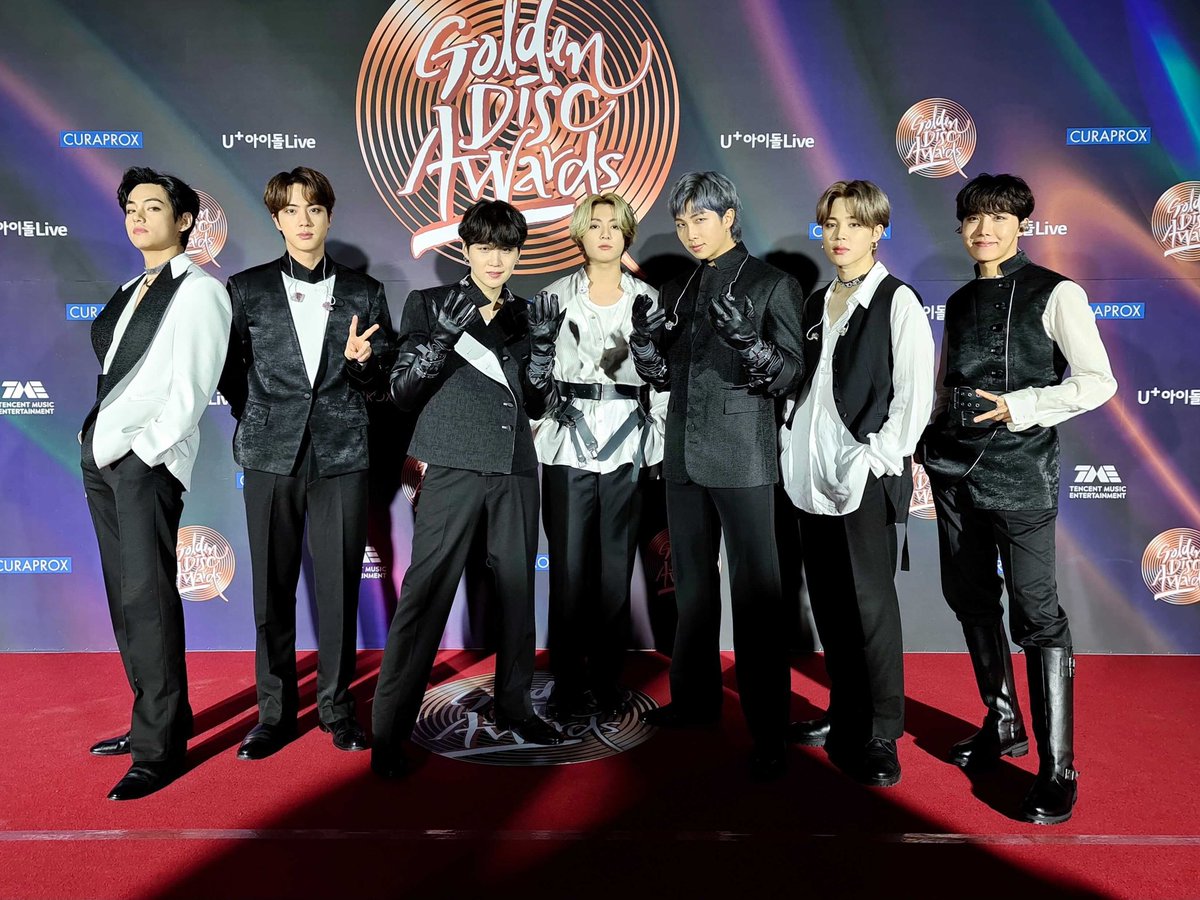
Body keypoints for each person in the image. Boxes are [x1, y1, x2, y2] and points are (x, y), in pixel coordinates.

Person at [921, 173, 1116, 824]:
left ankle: (1059, 769)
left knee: (1036, 613)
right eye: (975, 218)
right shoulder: (959, 299)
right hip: (954, 470)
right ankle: (1003, 722)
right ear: (961, 226)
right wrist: (927, 444)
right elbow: (946, 385)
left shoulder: (1057, 293)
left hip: (1022, 470)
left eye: (1000, 218)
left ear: (1021, 225)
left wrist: (1022, 405)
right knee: (970, 596)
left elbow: (1098, 381)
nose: (985, 230)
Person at [371, 199, 563, 778]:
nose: (495, 260)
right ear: (466, 250)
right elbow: (402, 394)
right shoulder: (430, 304)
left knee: (516, 594)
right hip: (451, 464)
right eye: (484, 248)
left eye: (506, 249)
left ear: (518, 253)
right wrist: (439, 342)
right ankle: (388, 731)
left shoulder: (528, 314)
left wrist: (544, 352)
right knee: (425, 592)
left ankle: (516, 706)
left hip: (514, 467)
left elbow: (536, 404)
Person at [630, 171, 805, 780]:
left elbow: (791, 374)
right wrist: (646, 351)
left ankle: (768, 727)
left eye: (700, 219)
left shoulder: (772, 284)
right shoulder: (675, 288)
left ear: (729, 217)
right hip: (682, 455)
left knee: (758, 598)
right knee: (693, 591)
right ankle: (695, 700)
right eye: (682, 223)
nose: (690, 232)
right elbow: (661, 376)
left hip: (744, 456)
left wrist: (751, 344)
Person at [218, 167, 393, 759]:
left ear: (329, 216)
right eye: (291, 210)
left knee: (339, 585)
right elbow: (230, 371)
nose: (304, 220)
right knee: (271, 588)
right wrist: (264, 414)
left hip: (343, 452)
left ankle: (337, 709)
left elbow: (380, 382)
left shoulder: (364, 291)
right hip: (271, 453)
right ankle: (273, 715)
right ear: (276, 219)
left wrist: (363, 363)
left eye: (314, 209)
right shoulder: (247, 289)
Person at [82, 166, 231, 800]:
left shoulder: (199, 291)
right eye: (131, 209)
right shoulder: (128, 289)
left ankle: (160, 748)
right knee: (126, 598)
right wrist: (101, 448)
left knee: (148, 600)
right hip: (103, 456)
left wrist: (144, 453)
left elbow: (193, 390)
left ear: (185, 220)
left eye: (153, 207)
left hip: (146, 462)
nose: (139, 218)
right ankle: (157, 718)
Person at [780, 180, 934, 787]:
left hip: (864, 476)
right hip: (810, 475)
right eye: (831, 224)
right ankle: (845, 710)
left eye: (854, 224)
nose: (840, 235)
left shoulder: (898, 301)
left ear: (877, 231)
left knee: (871, 607)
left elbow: (914, 399)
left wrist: (875, 460)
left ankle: (880, 732)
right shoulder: (817, 300)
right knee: (830, 602)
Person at [531, 193, 668, 721]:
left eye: (614, 224)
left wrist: (655, 437)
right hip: (567, 442)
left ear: (627, 232)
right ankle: (567, 681)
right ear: (580, 234)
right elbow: (535, 376)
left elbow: (661, 382)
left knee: (616, 570)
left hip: (627, 442)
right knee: (567, 569)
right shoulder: (552, 297)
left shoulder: (648, 299)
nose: (605, 233)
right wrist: (548, 410)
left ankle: (608, 680)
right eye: (595, 225)